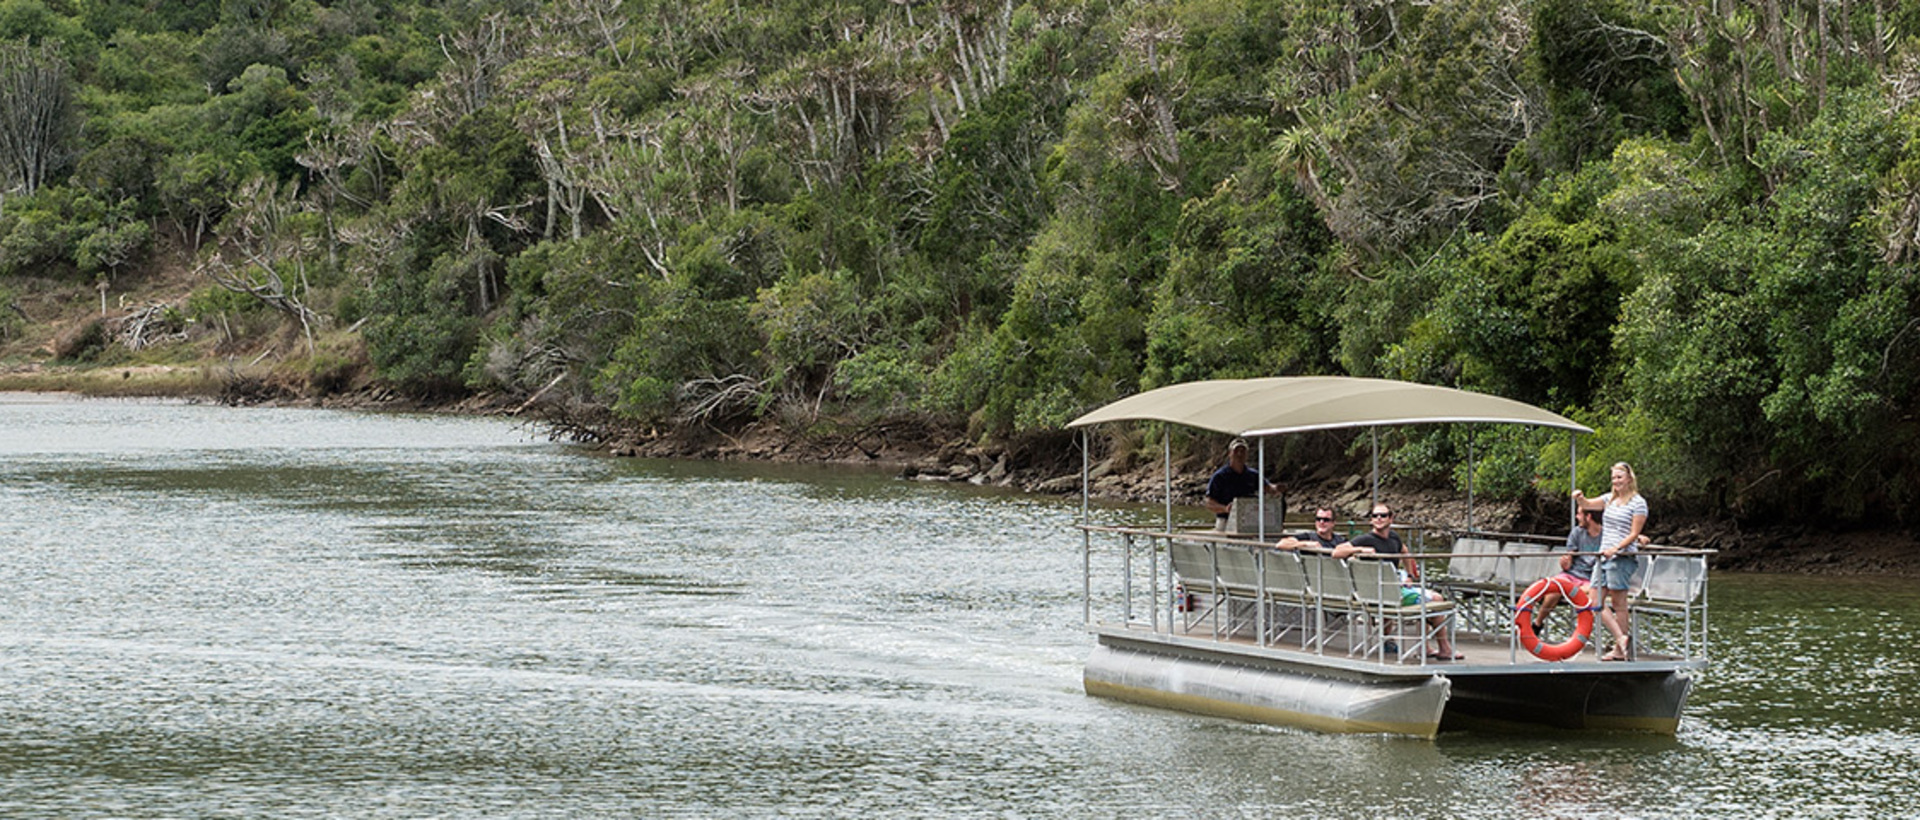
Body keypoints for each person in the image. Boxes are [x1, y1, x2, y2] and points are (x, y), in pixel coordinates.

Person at [1347, 503, 1462, 661]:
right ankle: (1443, 649)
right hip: (1382, 594)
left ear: (1391, 518)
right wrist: (1359, 549)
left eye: (1383, 515)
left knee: (1421, 598)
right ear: (1370, 520)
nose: (1378, 519)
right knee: (1436, 599)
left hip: (1391, 591)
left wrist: (1409, 574)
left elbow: (1405, 551)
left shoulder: (1393, 537)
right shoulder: (1365, 539)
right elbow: (1338, 551)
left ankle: (1422, 647)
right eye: (1375, 516)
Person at [1574, 462, 1649, 661]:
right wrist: (1580, 498)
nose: (1616, 481)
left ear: (1629, 479)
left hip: (1621, 558)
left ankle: (1619, 649)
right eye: (1614, 478)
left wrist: (1617, 548)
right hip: (1602, 556)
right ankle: (1622, 639)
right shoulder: (1609, 499)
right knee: (1594, 600)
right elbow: (1588, 505)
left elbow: (1635, 533)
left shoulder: (1638, 502)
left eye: (1619, 477)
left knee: (1619, 603)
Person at [1533, 506, 1603, 626]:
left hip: (1591, 578)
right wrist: (1565, 562)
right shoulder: (1577, 532)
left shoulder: (1606, 535)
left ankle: (1581, 634)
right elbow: (1568, 560)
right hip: (1571, 575)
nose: (1577, 517)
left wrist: (1638, 538)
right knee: (1554, 589)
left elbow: (1623, 539)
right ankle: (1538, 623)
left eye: (1579, 514)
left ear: (1589, 516)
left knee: (1587, 595)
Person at [1204, 438, 1284, 531]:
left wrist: (1277, 488)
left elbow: (1268, 488)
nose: (1239, 454)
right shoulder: (1220, 476)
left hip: (1250, 521)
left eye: (1243, 451)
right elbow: (1209, 503)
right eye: (1236, 451)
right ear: (1230, 453)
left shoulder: (1253, 475)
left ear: (1247, 454)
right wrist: (1225, 508)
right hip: (1226, 521)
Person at [1276, 507, 1351, 554]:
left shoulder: (1341, 540)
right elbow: (1281, 544)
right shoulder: (1307, 537)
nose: (1321, 522)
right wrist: (1306, 544)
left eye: (1326, 520)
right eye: (1318, 519)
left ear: (1333, 523)